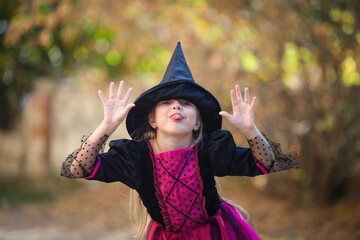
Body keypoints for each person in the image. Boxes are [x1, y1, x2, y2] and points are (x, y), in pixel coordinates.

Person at [61, 42, 299, 239]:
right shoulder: (136, 158)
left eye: (186, 103)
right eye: (166, 102)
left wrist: (250, 130)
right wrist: (106, 127)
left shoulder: (210, 150)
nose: (176, 105)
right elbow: (79, 168)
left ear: (197, 122)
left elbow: (267, 163)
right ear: (152, 120)